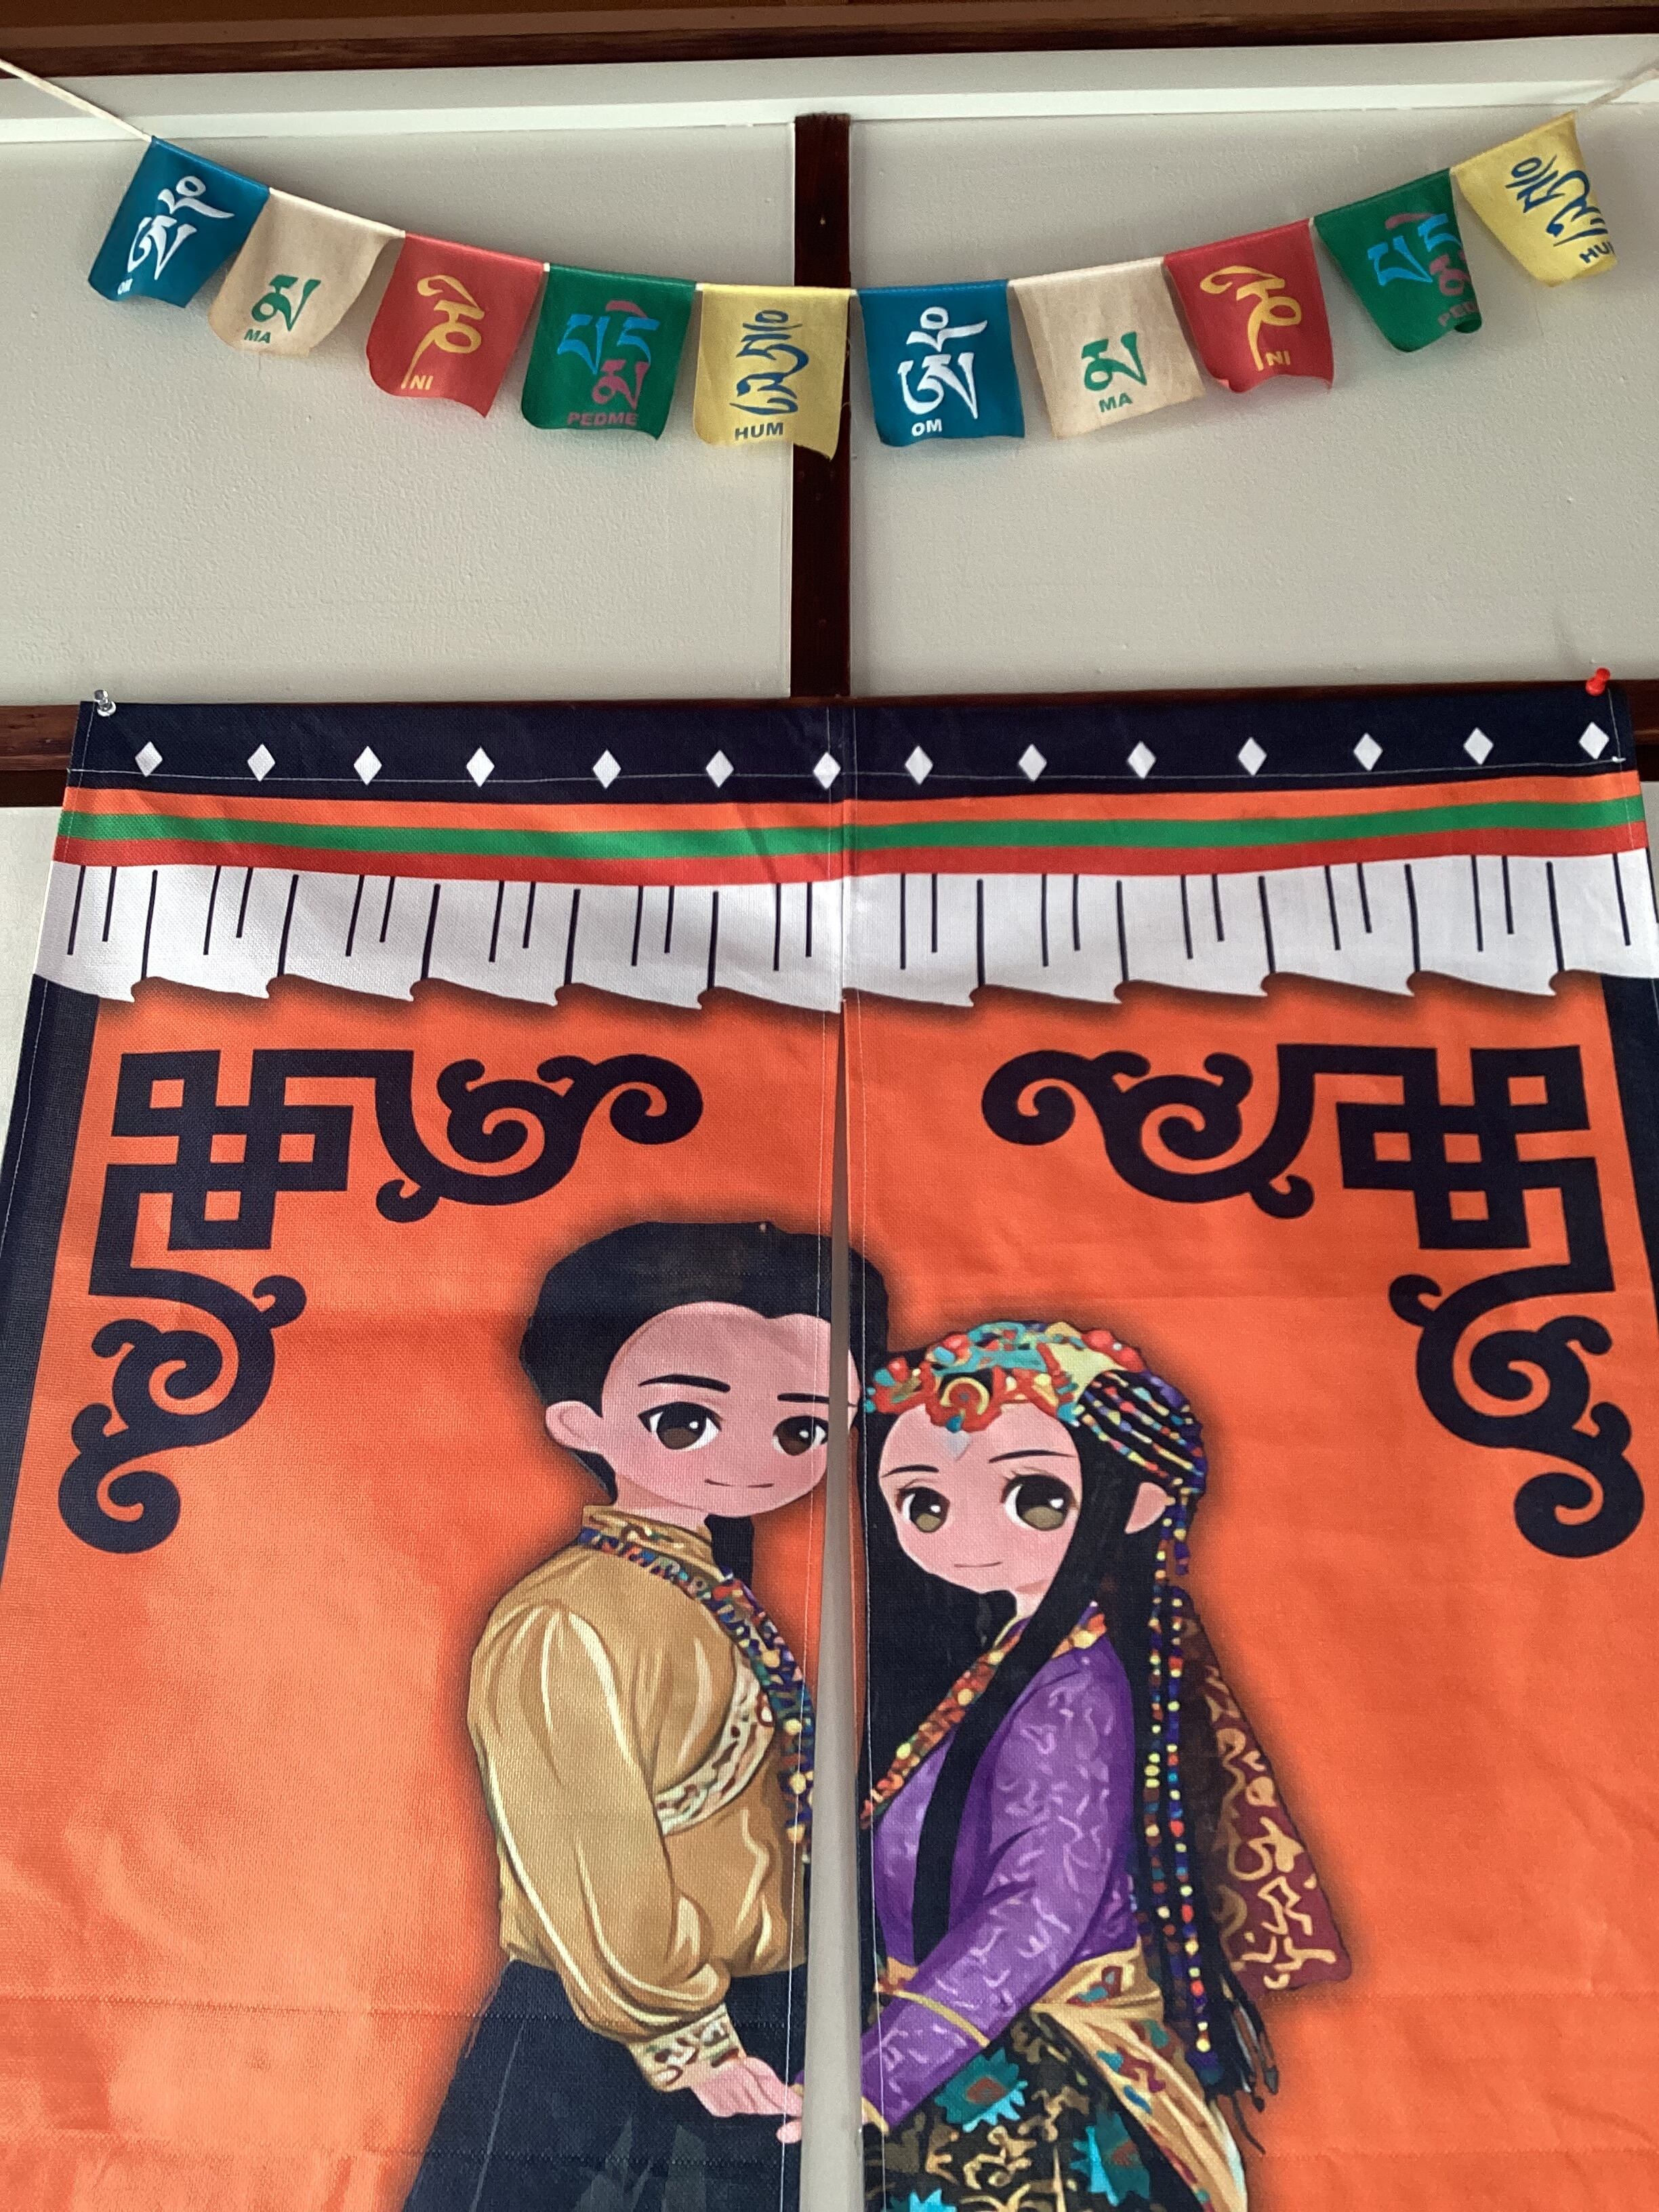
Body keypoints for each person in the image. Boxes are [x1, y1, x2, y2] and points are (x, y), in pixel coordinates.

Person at [406, 1219, 888, 2212]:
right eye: (686, 1421)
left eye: (801, 1429)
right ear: (580, 1422)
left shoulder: (701, 1588)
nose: (753, 1457)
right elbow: (589, 1845)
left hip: (752, 2013)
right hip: (609, 2028)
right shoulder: (566, 1618)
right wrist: (687, 2041)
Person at [858, 1320, 1345, 2212]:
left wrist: (885, 2068)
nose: (965, 1533)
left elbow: (1037, 1912)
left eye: (1034, 1497)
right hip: (968, 2044)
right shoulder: (1016, 1660)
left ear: (1139, 1499)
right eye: (924, 1504)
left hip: (1033, 2075)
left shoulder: (1077, 1692)